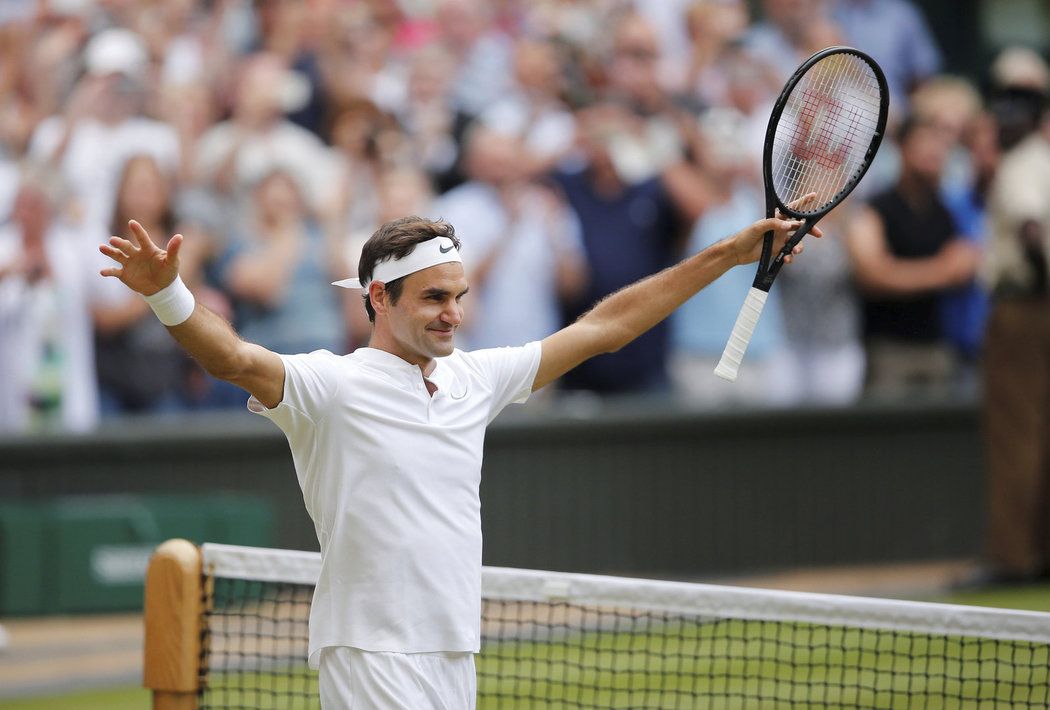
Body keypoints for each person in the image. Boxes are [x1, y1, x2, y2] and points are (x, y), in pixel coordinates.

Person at [99, 206, 814, 707]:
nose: (453, 312)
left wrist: (729, 252)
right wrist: (168, 293)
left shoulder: (477, 377)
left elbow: (607, 327)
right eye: (434, 297)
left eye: (459, 297)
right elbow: (230, 356)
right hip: (368, 654)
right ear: (379, 297)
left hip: (452, 649)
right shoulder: (330, 384)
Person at [846, 115, 979, 398]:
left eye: (941, 145)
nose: (935, 152)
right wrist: (941, 272)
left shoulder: (946, 211)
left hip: (938, 348)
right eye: (925, 143)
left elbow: (967, 264)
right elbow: (872, 275)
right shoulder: (876, 208)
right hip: (887, 350)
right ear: (903, 149)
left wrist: (902, 273)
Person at [980, 85, 1050, 584]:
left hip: (1026, 307)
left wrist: (1040, 284)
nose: (1001, 124)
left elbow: (1030, 228)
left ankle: (1013, 559)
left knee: (1016, 434)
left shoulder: (1020, 164)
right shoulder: (1043, 159)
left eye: (1012, 115)